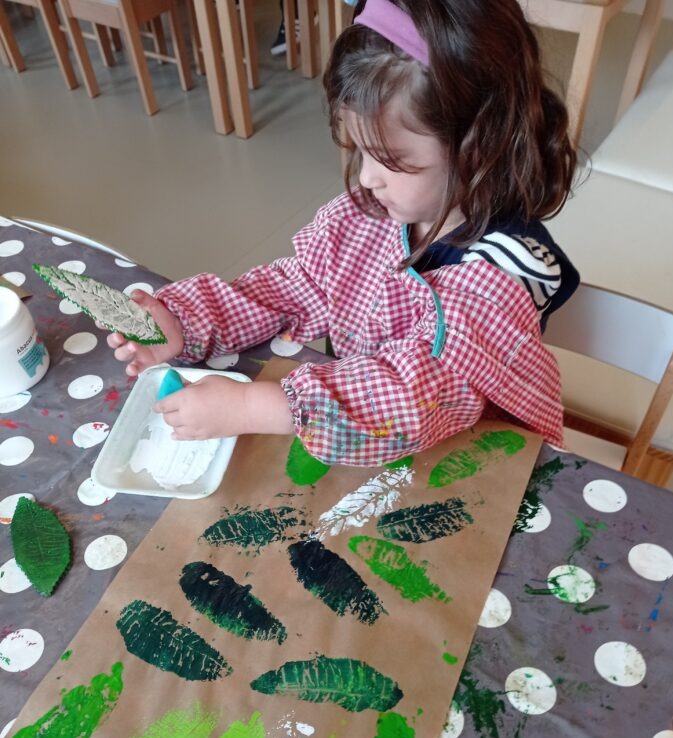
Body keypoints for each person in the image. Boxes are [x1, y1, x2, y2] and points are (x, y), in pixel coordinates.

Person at [109, 0, 579, 466]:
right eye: (362, 150)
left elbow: (420, 395)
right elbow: (295, 288)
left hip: (470, 458)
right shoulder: (372, 215)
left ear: (481, 150)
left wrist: (255, 406)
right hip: (361, 437)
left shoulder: (507, 271)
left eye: (394, 160)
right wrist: (186, 321)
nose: (368, 178)